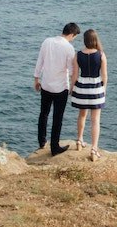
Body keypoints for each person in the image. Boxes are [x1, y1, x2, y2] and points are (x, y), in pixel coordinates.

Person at [34, 22, 80, 155]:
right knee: (57, 118)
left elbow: (40, 61)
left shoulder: (47, 42)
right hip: (61, 88)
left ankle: (42, 141)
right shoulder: (69, 48)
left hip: (46, 85)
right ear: (71, 34)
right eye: (74, 37)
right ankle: (55, 147)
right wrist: (72, 86)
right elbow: (71, 71)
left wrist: (36, 79)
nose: (73, 39)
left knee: (43, 114)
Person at [71, 28, 108, 161]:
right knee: (95, 120)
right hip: (96, 89)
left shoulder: (78, 54)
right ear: (95, 40)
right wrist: (104, 90)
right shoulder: (101, 55)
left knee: (82, 115)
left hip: (81, 88)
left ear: (85, 40)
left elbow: (75, 75)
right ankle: (94, 149)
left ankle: (79, 141)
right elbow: (104, 76)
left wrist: (71, 89)